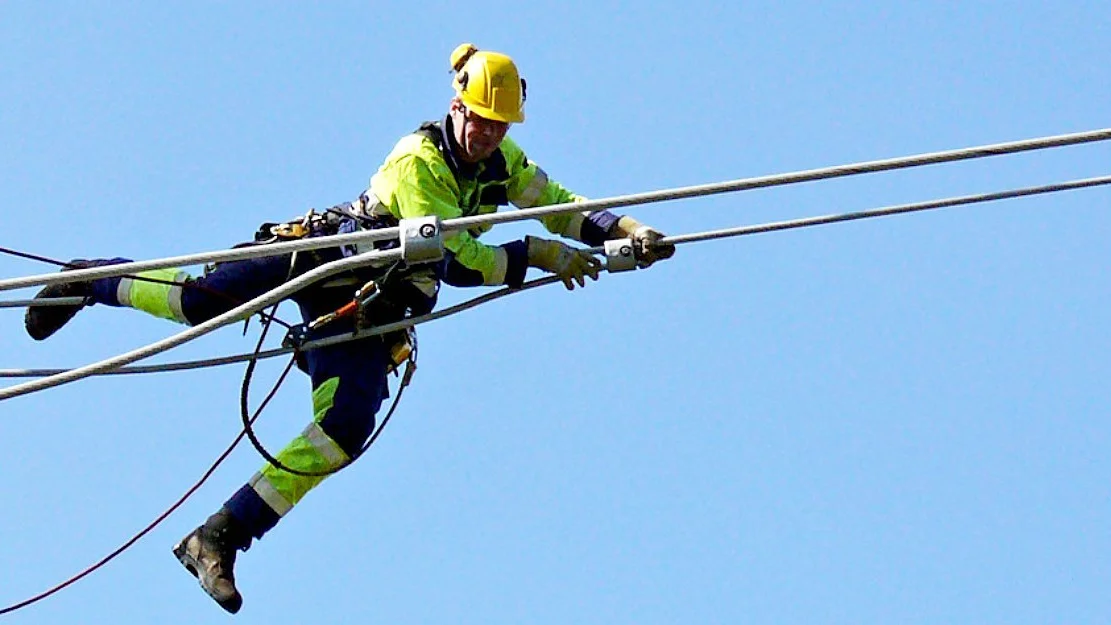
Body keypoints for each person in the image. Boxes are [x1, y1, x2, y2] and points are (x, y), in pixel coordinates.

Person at [24, 43, 674, 614]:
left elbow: (556, 201)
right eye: (479, 120)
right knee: (201, 304)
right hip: (326, 256)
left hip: (371, 308)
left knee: (344, 429)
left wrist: (624, 230)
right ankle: (92, 279)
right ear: (457, 107)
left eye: (497, 125)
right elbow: (453, 259)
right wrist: (531, 255)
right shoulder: (418, 160)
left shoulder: (502, 163)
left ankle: (219, 535)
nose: (485, 134)